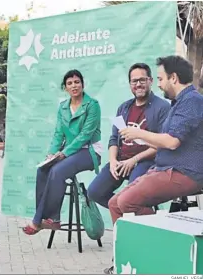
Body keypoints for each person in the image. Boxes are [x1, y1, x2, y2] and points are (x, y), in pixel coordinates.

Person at [104, 55, 203, 274]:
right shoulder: (179, 103)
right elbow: (165, 140)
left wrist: (140, 133)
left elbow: (171, 141)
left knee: (127, 201)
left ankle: (156, 253)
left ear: (173, 78)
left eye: (159, 78)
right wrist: (143, 137)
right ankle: (128, 256)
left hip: (184, 172)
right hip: (163, 168)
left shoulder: (192, 101)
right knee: (114, 203)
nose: (157, 84)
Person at [22, 69, 102, 235]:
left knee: (57, 171)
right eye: (70, 83)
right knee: (43, 169)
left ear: (82, 84)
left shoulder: (92, 105)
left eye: (77, 82)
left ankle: (45, 220)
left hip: (89, 151)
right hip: (68, 152)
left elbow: (85, 135)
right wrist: (52, 154)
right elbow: (58, 134)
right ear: (65, 87)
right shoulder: (63, 107)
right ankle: (48, 219)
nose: (74, 86)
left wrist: (64, 153)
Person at [87, 63, 170, 208]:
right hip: (121, 160)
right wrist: (113, 161)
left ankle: (135, 214)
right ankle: (130, 213)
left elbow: (163, 144)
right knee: (94, 191)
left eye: (142, 80)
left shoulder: (162, 107)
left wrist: (134, 160)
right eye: (134, 81)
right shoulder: (124, 108)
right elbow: (114, 139)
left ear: (150, 81)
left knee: (130, 195)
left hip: (147, 161)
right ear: (130, 84)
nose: (138, 84)